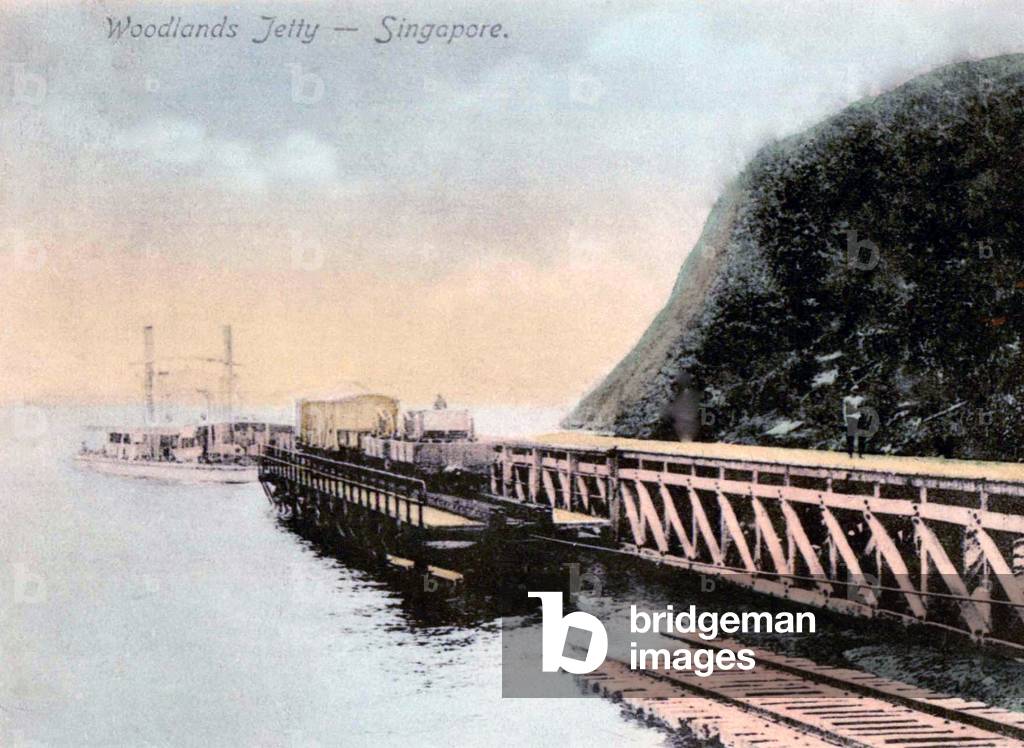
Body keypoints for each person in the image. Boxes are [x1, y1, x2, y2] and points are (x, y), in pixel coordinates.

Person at [843, 385, 866, 458]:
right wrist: (846, 420)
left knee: (861, 437)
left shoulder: (861, 399)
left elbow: (863, 409)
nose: (855, 391)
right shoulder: (847, 399)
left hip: (859, 418)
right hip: (850, 418)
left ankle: (860, 453)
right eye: (854, 390)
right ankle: (850, 453)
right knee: (850, 437)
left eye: (857, 390)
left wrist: (864, 420)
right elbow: (844, 410)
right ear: (851, 390)